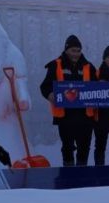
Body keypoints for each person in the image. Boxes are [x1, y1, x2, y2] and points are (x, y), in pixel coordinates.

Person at [40, 35, 98, 166]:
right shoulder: (55, 65)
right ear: (66, 50)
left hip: (85, 117)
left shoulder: (89, 67)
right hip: (65, 116)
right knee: (67, 147)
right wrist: (50, 95)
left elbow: (97, 87)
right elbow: (44, 86)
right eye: (73, 50)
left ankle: (82, 175)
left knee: (84, 148)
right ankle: (69, 175)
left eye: (78, 51)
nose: (76, 54)